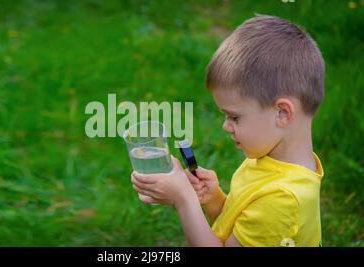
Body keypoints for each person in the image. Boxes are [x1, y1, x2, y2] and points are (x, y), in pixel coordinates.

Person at [130, 15, 325, 247]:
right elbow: (240, 227)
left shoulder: (283, 199)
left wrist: (184, 200)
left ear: (282, 113)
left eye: (234, 117)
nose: (225, 126)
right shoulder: (271, 160)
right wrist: (214, 200)